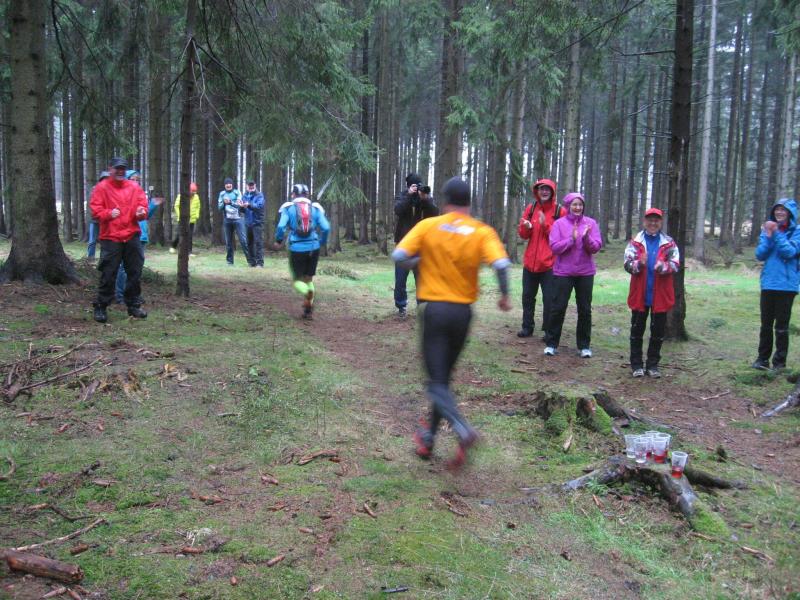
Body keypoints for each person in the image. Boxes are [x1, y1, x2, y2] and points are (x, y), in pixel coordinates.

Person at [392, 177, 511, 470]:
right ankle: (428, 439)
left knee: (435, 384)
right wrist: (505, 295)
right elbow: (500, 264)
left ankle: (462, 428)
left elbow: (399, 255)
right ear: (469, 201)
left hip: (435, 311)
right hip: (462, 314)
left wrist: (419, 261)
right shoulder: (481, 231)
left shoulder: (429, 226)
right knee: (442, 379)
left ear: (445, 201)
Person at [90, 157, 149, 323]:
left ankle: (133, 305)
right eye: (117, 168)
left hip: (131, 234)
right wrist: (108, 214)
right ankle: (101, 306)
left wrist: (141, 213)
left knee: (135, 271)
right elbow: (95, 211)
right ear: (110, 169)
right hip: (111, 236)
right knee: (108, 273)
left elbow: (143, 206)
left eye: (123, 168)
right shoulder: (101, 188)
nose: (120, 171)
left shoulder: (134, 187)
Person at [623, 208, 680, 378]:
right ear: (644, 222)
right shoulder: (635, 242)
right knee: (636, 331)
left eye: (656, 220)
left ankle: (653, 365)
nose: (653, 223)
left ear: (661, 223)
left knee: (657, 333)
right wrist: (639, 264)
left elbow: (676, 264)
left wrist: (663, 267)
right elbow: (627, 264)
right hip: (640, 294)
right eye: (650, 220)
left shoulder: (669, 243)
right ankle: (636, 365)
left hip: (660, 295)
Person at [545, 192, 602, 357]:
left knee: (585, 309)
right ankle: (551, 344)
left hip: (585, 272)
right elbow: (554, 247)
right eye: (574, 204)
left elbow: (596, 247)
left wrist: (586, 238)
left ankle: (584, 346)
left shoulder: (591, 223)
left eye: (580, 204)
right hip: (563, 272)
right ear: (568, 206)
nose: (577, 207)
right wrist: (571, 239)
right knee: (558, 308)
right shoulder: (559, 224)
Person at [753, 199, 800, 371]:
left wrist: (777, 233)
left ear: (790, 213)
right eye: (777, 210)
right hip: (768, 283)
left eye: (783, 210)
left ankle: (779, 363)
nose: (779, 212)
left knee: (781, 327)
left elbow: (789, 252)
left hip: (787, 286)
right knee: (765, 325)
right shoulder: (768, 230)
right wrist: (768, 236)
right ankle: (762, 360)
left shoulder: (797, 232)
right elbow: (760, 254)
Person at [517, 178, 565, 338]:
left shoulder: (560, 211)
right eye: (541, 189)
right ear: (537, 191)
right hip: (530, 263)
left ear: (552, 192)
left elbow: (560, 237)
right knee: (527, 297)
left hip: (550, 264)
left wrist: (544, 225)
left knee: (549, 299)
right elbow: (523, 235)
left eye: (547, 189)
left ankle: (548, 331)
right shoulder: (531, 209)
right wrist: (526, 227)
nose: (544, 192)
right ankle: (527, 327)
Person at [274, 184, 330, 319]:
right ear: (307, 195)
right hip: (314, 247)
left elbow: (281, 226)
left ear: (293, 195)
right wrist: (322, 242)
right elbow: (326, 228)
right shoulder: (315, 208)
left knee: (297, 280)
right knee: (308, 278)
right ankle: (308, 310)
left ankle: (307, 293)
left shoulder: (288, 208)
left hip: (296, 248)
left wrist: (279, 240)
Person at [393, 173, 439, 317]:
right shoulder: (402, 196)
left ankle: (422, 307)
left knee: (421, 279)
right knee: (400, 280)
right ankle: (401, 306)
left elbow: (435, 213)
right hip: (403, 245)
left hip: (421, 246)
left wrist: (425, 199)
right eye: (414, 186)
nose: (416, 188)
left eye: (418, 185)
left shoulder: (425, 198)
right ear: (408, 186)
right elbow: (398, 210)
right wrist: (408, 195)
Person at [115, 170, 163, 304]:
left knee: (136, 268)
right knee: (124, 267)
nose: (136, 182)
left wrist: (153, 205)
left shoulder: (140, 195)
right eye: (133, 179)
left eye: (138, 180)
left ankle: (132, 295)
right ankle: (120, 295)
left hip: (141, 237)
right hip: (128, 235)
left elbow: (145, 216)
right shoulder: (123, 195)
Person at [218, 177, 250, 265]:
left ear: (232, 185)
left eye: (229, 184)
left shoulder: (237, 192)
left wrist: (230, 202)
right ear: (225, 185)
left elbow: (240, 205)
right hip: (227, 220)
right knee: (228, 242)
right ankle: (229, 262)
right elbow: (219, 207)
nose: (228, 185)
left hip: (238, 219)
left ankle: (250, 261)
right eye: (226, 184)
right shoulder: (222, 194)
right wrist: (224, 203)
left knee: (243, 241)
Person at [170, 182, 201, 256]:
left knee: (190, 236)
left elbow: (198, 206)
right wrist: (180, 216)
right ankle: (173, 246)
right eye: (192, 192)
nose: (193, 194)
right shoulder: (181, 196)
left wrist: (197, 215)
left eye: (194, 192)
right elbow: (176, 206)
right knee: (179, 234)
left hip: (192, 220)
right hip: (182, 220)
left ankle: (189, 252)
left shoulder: (196, 197)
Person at [87, 171, 110, 260]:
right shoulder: (95, 189)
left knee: (104, 240)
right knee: (92, 240)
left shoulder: (110, 191)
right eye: (105, 179)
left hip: (105, 220)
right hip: (95, 219)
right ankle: (90, 258)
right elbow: (92, 204)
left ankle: (103, 258)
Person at [244, 180, 266, 267]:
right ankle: (252, 262)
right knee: (249, 243)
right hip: (248, 223)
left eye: (252, 185)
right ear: (247, 186)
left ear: (255, 185)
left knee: (258, 243)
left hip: (257, 223)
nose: (251, 187)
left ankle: (260, 263)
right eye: (249, 186)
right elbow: (243, 209)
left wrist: (249, 205)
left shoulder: (259, 195)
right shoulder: (245, 195)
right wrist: (240, 206)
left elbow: (259, 206)